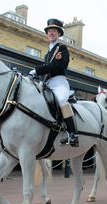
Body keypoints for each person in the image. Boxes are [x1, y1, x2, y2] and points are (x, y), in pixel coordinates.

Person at [29, 18, 78, 147]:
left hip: (59, 82)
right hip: (48, 84)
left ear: (59, 33)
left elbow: (57, 66)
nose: (51, 33)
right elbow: (47, 67)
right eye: (49, 31)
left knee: (61, 101)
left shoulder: (62, 49)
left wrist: (36, 70)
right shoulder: (49, 53)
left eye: (54, 31)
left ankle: (73, 134)